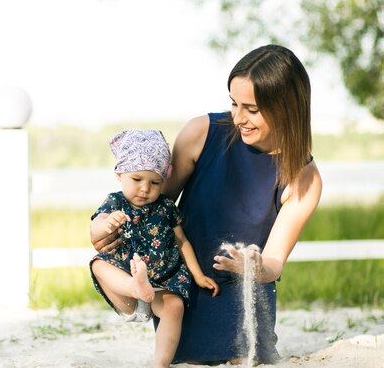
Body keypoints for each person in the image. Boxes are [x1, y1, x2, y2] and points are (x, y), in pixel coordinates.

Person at [90, 44, 323, 365]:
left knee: (247, 353)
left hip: (242, 295)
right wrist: (108, 231)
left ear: (286, 107)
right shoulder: (201, 132)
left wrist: (254, 267)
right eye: (233, 103)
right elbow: (152, 207)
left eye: (251, 109)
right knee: (100, 264)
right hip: (179, 286)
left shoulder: (304, 177)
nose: (239, 117)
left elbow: (274, 261)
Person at [89, 129, 219, 368]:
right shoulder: (115, 202)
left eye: (155, 182)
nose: (145, 189)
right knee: (99, 264)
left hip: (163, 281)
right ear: (120, 174)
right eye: (137, 179)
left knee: (174, 307)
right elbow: (95, 228)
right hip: (127, 285)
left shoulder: (166, 206)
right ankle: (136, 287)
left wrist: (198, 275)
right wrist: (106, 224)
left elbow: (182, 242)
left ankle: (161, 363)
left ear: (164, 180)